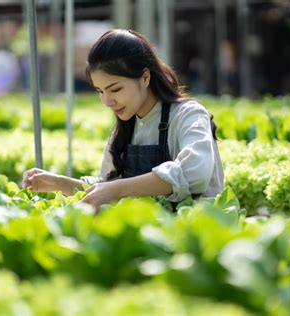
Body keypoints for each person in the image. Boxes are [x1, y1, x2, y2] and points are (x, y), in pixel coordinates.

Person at [22, 29, 224, 212]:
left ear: (145, 78)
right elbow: (106, 186)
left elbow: (195, 171)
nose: (107, 101)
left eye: (115, 89)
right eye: (100, 91)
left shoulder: (188, 115)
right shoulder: (127, 127)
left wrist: (117, 189)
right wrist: (58, 183)